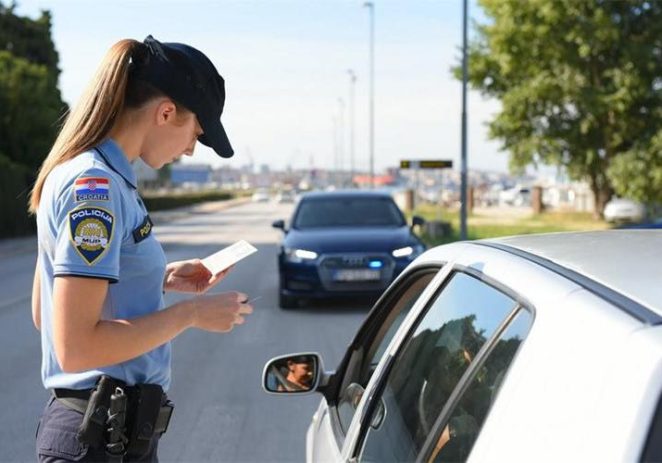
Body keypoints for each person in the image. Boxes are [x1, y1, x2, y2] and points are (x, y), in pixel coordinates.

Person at [29, 35, 253, 462]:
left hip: (109, 437)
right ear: (166, 112)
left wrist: (158, 279)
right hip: (95, 442)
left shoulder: (95, 177)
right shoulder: (95, 188)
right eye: (195, 134)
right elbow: (74, 345)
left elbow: (49, 311)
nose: (189, 150)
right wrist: (191, 315)